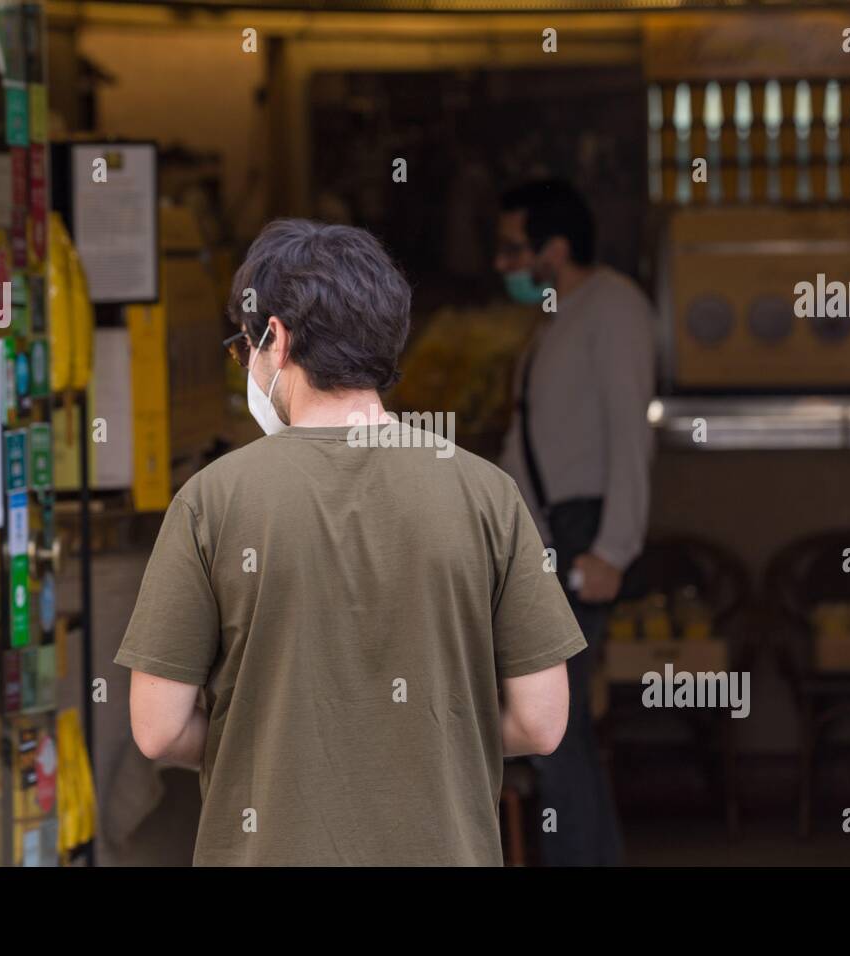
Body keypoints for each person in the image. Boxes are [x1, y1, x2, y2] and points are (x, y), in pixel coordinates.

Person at [116, 218, 587, 866]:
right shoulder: (487, 495)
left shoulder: (212, 501)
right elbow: (541, 720)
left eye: (242, 347)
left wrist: (274, 748)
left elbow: (157, 727)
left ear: (274, 339)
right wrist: (425, 739)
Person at [495, 179, 657, 866]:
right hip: (550, 536)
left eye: (513, 249)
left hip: (584, 535)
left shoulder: (612, 307)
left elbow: (630, 430)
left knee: (552, 729)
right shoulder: (561, 318)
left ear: (554, 250)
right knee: (561, 733)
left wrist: (615, 547)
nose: (503, 265)